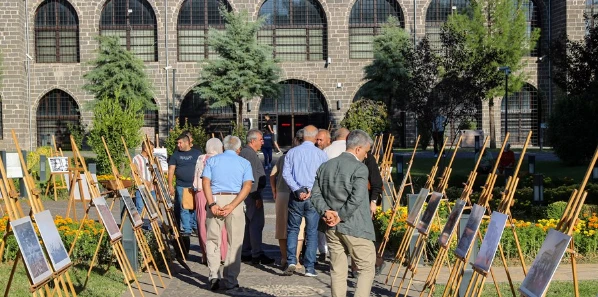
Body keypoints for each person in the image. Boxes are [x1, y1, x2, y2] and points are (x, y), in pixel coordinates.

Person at [310, 129, 376, 297]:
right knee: (366, 267)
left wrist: (326, 212)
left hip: (330, 227)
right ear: (358, 149)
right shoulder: (360, 168)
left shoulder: (325, 166)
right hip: (355, 226)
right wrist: (339, 216)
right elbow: (357, 198)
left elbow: (315, 194)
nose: (367, 156)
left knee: (337, 271)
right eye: (366, 151)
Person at [202, 135, 253, 291]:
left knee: (213, 240)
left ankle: (213, 275)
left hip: (215, 199)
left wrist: (211, 203)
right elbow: (247, 186)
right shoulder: (244, 162)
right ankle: (230, 279)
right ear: (238, 149)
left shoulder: (212, 160)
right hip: (235, 201)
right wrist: (232, 205)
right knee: (234, 242)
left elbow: (205, 182)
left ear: (223, 147)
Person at [282, 125, 328, 277]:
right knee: (312, 231)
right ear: (315, 138)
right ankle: (309, 267)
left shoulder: (292, 153)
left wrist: (297, 189)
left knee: (293, 229)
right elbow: (323, 177)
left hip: (296, 196)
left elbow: (286, 174)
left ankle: (291, 260)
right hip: (313, 197)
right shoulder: (321, 155)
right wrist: (310, 191)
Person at [270, 130, 306, 270]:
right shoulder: (305, 156)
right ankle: (295, 259)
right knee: (299, 227)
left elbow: (272, 174)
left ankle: (284, 258)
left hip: (282, 194)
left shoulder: (284, 157)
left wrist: (274, 190)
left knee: (282, 226)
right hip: (298, 194)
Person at [240, 129, 275, 265]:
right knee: (255, 223)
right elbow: (251, 178)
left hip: (251, 194)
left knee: (250, 224)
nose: (263, 142)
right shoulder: (248, 154)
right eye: (261, 140)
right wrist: (256, 196)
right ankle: (256, 253)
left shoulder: (248, 153)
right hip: (252, 195)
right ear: (252, 141)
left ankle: (248, 251)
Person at [192, 138, 228, 264]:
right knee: (221, 224)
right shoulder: (222, 159)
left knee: (203, 224)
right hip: (217, 193)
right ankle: (223, 254)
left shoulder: (201, 158)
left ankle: (207, 254)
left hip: (201, 192)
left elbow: (196, 177)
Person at [168, 134, 201, 258]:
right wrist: (170, 185)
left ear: (187, 142)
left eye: (180, 143)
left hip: (194, 186)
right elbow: (171, 170)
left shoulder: (197, 153)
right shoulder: (176, 155)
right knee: (184, 208)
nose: (178, 145)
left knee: (194, 207)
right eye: (178, 143)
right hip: (182, 186)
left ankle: (194, 226)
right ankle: (186, 230)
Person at [133, 140, 154, 214]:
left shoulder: (151, 159)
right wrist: (144, 182)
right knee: (140, 207)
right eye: (151, 149)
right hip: (141, 187)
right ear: (145, 149)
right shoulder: (136, 159)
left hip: (151, 188)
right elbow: (135, 174)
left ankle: (151, 226)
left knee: (153, 209)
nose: (152, 151)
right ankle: (138, 224)